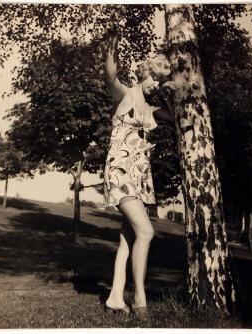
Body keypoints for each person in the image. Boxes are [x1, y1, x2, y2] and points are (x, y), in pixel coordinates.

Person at [103, 30, 175, 319]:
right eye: (154, 78)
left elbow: (173, 117)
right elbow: (110, 77)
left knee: (128, 238)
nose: (155, 83)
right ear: (144, 73)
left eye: (159, 80)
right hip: (120, 172)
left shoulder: (153, 108)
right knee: (146, 232)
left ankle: (115, 298)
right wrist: (111, 48)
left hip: (141, 178)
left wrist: (170, 90)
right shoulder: (128, 94)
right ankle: (140, 299)